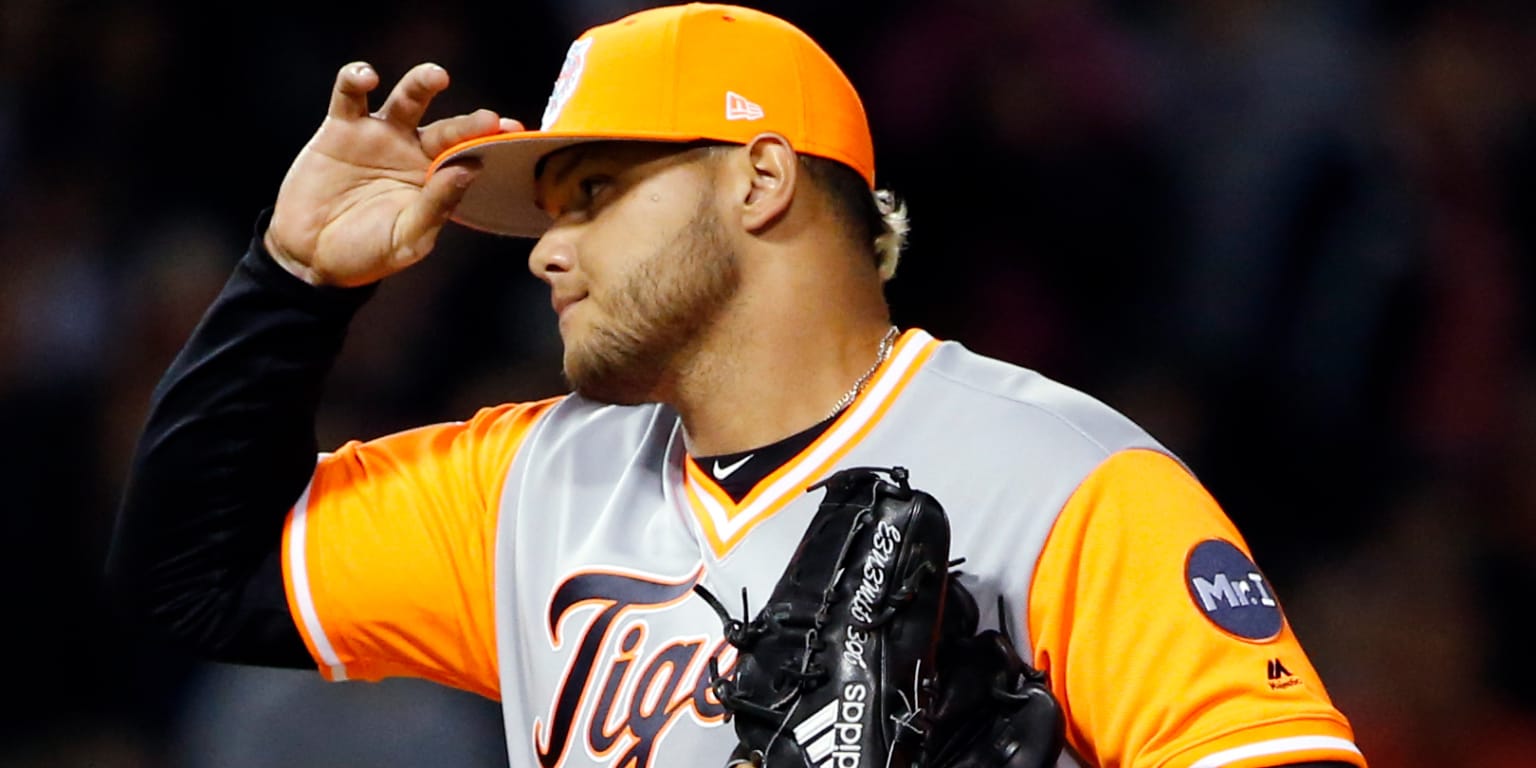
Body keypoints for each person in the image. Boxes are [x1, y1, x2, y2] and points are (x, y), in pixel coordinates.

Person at [108, 3, 1368, 767]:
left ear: (760, 181)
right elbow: (188, 580)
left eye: (595, 193)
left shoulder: (1067, 485)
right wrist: (290, 283)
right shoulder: (538, 481)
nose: (547, 247)